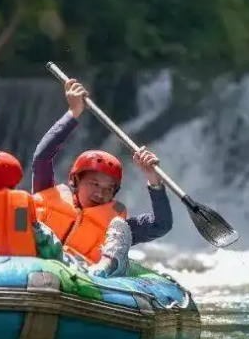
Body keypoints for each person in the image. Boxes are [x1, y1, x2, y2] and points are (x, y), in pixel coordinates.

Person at [31, 77, 174, 277]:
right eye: (94, 183)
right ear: (76, 181)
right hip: (36, 271)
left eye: (108, 189)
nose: (100, 192)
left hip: (87, 278)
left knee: (120, 226)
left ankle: (104, 269)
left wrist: (153, 179)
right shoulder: (47, 193)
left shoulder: (113, 225)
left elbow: (161, 224)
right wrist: (73, 112)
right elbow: (42, 157)